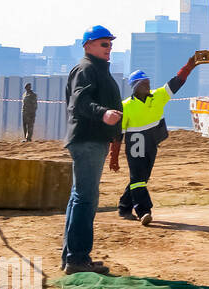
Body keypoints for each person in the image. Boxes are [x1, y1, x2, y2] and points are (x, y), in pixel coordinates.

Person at [62, 26, 123, 275]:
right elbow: (80, 101)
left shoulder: (98, 70)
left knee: (80, 198)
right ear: (87, 45)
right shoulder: (86, 68)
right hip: (87, 140)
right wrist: (103, 114)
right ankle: (77, 259)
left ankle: (72, 257)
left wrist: (114, 138)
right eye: (103, 44)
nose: (109, 49)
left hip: (93, 140)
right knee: (86, 199)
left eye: (110, 44)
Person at [111, 57, 197, 226]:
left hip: (151, 143)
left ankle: (124, 206)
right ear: (135, 87)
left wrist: (189, 66)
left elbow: (177, 82)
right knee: (138, 178)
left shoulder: (158, 96)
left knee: (142, 178)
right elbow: (117, 135)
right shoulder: (125, 106)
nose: (148, 85)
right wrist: (113, 157)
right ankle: (144, 211)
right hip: (135, 144)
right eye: (144, 83)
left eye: (148, 82)